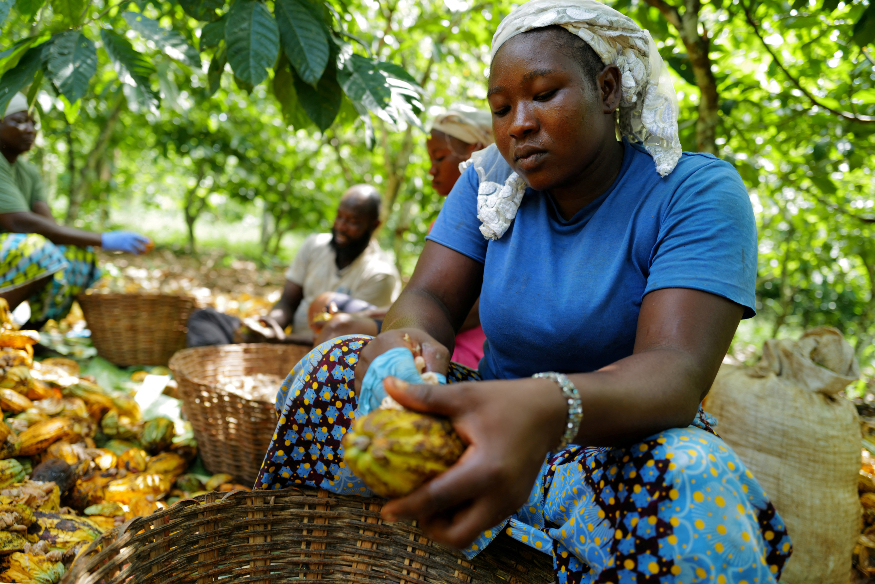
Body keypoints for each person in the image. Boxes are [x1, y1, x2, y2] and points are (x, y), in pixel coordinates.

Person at [256, 1, 792, 582]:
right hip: (479, 420)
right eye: (501, 107)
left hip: (615, 446)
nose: (518, 123)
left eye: (543, 94)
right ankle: (318, 560)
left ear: (607, 88)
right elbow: (430, 299)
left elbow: (675, 370)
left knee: (690, 479)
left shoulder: (693, 192)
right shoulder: (489, 181)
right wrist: (406, 344)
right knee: (332, 369)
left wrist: (544, 406)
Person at [312, 106, 493, 369]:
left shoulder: (488, 215)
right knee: (326, 308)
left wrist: (384, 324)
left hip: (461, 348)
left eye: (439, 158)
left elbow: (461, 311)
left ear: (474, 150)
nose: (432, 171)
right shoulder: (446, 219)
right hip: (434, 329)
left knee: (339, 332)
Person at [0, 93, 151, 328]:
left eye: (33, 123)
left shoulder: (27, 172)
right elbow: (19, 222)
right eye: (19, 121)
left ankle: (27, 335)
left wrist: (91, 247)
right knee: (36, 250)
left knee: (76, 255)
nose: (29, 129)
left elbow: (49, 226)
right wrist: (104, 239)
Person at [186, 184, 401, 347]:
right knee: (205, 318)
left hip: (321, 359)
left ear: (374, 226)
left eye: (353, 221)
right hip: (281, 340)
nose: (341, 227)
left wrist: (281, 340)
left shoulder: (380, 274)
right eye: (339, 217)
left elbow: (348, 344)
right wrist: (269, 325)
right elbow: (288, 302)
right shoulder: (315, 245)